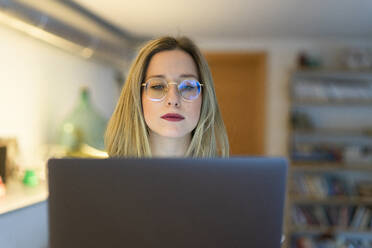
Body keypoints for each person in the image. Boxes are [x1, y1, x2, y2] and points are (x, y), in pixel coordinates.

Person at [105, 36, 229, 157]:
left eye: (187, 87)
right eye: (158, 86)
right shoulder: (106, 177)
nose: (173, 100)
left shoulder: (225, 178)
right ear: (137, 96)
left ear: (205, 97)